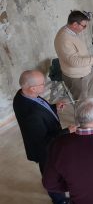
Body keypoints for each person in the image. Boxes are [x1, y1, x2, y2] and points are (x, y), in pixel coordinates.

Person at [13, 70, 76, 204]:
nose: (45, 85)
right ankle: (59, 200)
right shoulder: (32, 115)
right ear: (32, 88)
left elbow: (41, 108)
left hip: (43, 141)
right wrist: (67, 131)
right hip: (45, 151)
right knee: (50, 175)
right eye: (43, 83)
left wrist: (54, 107)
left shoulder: (22, 94)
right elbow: (44, 141)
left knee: (55, 171)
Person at [54, 10, 93, 101]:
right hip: (77, 77)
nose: (85, 28)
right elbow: (74, 62)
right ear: (75, 24)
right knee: (82, 105)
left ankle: (91, 113)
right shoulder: (64, 39)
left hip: (85, 72)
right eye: (84, 26)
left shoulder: (71, 31)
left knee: (90, 99)